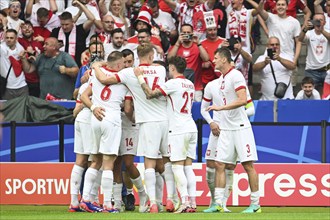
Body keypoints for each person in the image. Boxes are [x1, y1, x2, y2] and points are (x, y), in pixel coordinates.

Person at [93, 43, 177, 213]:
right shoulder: (160, 70)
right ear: (152, 56)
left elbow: (104, 79)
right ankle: (170, 200)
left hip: (146, 122)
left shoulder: (128, 73)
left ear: (137, 57)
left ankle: (152, 202)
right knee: (167, 162)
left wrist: (96, 65)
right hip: (165, 121)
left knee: (149, 164)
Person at [134, 56, 198, 213]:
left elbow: (149, 94)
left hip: (178, 129)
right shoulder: (190, 84)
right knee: (188, 168)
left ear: (173, 68)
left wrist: (140, 77)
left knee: (177, 168)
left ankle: (184, 202)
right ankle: (193, 202)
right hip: (191, 127)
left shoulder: (172, 83)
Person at [207, 47, 260, 213]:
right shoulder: (222, 78)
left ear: (223, 59)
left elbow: (243, 100)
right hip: (226, 129)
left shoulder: (236, 75)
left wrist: (221, 108)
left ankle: (255, 204)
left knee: (248, 165)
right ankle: (218, 204)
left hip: (240, 128)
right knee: (219, 164)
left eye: (215, 58)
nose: (213, 60)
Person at [79, 51, 129, 213]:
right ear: (119, 64)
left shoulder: (97, 73)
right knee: (109, 162)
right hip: (112, 119)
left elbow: (83, 95)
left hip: (96, 118)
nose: (126, 65)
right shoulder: (124, 77)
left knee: (96, 161)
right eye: (124, 63)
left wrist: (93, 107)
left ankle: (85, 199)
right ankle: (108, 204)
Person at [201, 73, 255, 213]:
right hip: (218, 129)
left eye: (217, 58)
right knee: (213, 164)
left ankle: (224, 203)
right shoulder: (212, 85)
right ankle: (215, 202)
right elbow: (204, 108)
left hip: (236, 127)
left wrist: (234, 113)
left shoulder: (238, 83)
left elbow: (251, 108)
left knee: (232, 166)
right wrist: (212, 122)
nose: (214, 60)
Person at [168, 23, 210, 101]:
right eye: (184, 33)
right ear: (180, 34)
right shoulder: (176, 47)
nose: (186, 35)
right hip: (179, 87)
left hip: (196, 87)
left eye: (188, 33)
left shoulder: (197, 46)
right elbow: (169, 59)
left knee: (196, 110)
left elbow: (206, 59)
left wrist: (198, 43)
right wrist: (177, 43)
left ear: (192, 33)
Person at [257, 0, 301, 65]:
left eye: (283, 5)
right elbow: (260, 10)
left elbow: (298, 42)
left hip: (287, 57)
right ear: (275, 7)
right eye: (278, 5)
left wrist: (295, 59)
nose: (280, 7)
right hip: (271, 57)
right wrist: (262, 2)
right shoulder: (270, 18)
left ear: (287, 7)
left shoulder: (294, 22)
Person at [298, 13, 330, 95]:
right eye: (316, 20)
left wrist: (322, 30)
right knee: (309, 95)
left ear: (325, 22)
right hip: (311, 70)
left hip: (327, 70)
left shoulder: (328, 32)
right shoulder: (309, 33)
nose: (318, 22)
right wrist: (305, 29)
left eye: (321, 20)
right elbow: (300, 39)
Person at [0, 29, 28, 100]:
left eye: (11, 38)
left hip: (22, 85)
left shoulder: (20, 48)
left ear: (16, 39)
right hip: (8, 87)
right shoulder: (2, 48)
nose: (9, 40)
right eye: (7, 37)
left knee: (23, 109)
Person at [18, 20, 43, 97]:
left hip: (37, 80)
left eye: (29, 27)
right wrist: (18, 26)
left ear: (33, 30)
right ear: (21, 31)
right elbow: (11, 37)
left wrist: (34, 53)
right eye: (24, 28)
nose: (27, 29)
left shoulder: (38, 43)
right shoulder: (19, 41)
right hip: (23, 80)